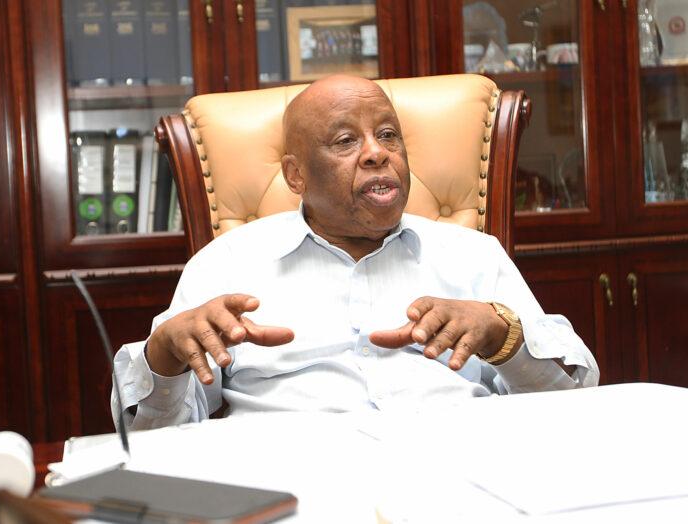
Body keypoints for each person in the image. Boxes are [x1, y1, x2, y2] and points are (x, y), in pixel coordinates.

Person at [112, 75, 599, 430]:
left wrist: (503, 335)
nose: (377, 153)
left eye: (388, 135)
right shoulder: (227, 263)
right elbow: (157, 437)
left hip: (458, 470)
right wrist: (164, 357)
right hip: (290, 480)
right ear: (296, 175)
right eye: (346, 141)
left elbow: (577, 403)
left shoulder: (473, 255)